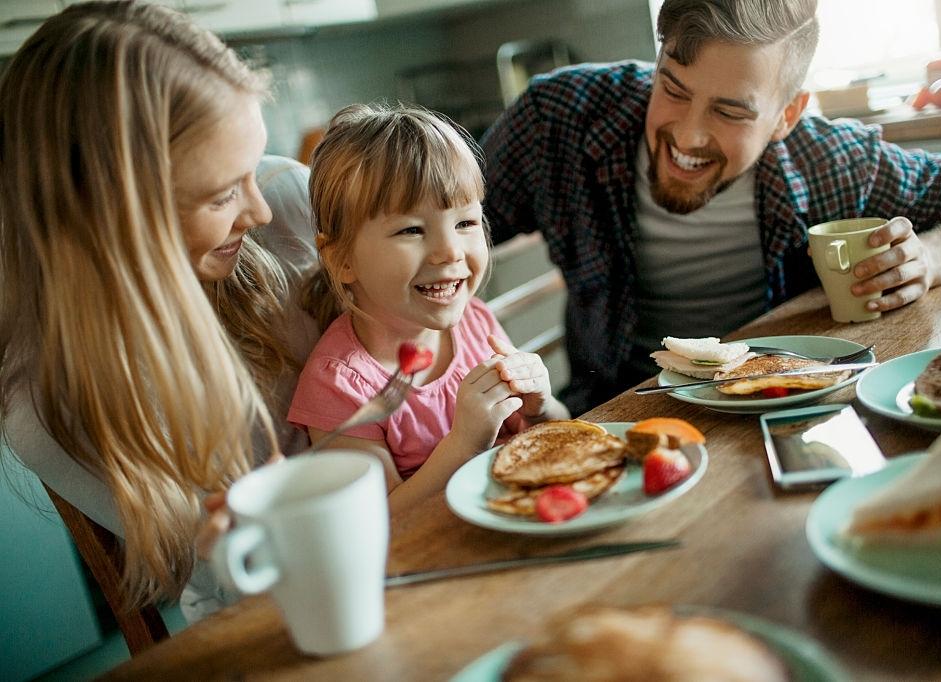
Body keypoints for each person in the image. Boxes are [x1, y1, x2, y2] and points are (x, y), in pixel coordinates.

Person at [481, 0, 941, 415]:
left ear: (787, 115)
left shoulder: (831, 159)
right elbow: (438, 221)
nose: (687, 136)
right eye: (672, 87)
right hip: (615, 411)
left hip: (783, 409)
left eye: (730, 112)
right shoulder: (559, 118)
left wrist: (932, 259)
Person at [0, 1, 320, 622]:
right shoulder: (46, 403)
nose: (257, 212)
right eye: (223, 194)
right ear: (111, 214)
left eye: (250, 170)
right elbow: (218, 573)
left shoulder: (291, 202)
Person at [288, 103, 570, 514]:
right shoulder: (340, 386)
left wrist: (542, 406)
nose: (449, 252)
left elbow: (549, 436)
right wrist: (463, 443)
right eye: (412, 230)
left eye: (465, 223)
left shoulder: (475, 322)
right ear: (342, 259)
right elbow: (380, 523)